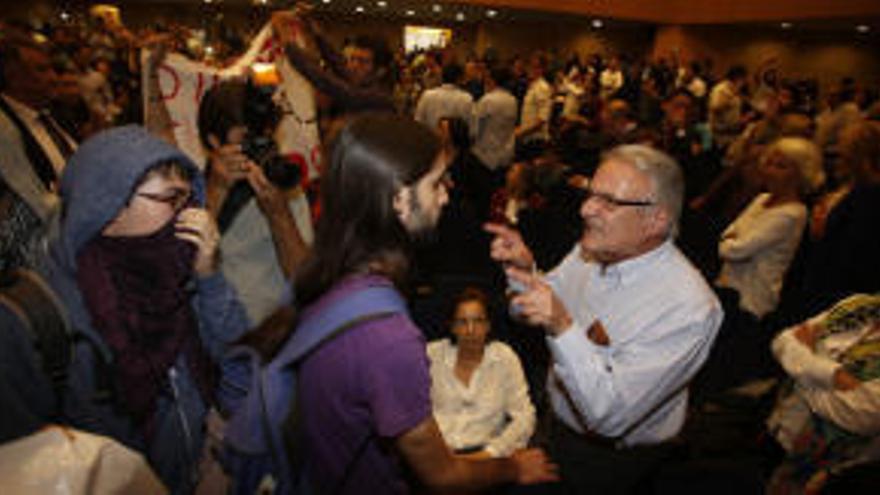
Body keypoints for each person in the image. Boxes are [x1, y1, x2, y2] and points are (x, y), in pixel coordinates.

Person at [274, 114, 557, 493]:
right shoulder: (389, 338)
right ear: (398, 200)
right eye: (436, 183)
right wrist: (514, 468)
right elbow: (443, 477)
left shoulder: (335, 267)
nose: (446, 193)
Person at [486, 144, 723, 494]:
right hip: (552, 420)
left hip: (609, 463)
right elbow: (532, 310)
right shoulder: (591, 250)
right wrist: (524, 274)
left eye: (608, 202)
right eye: (590, 194)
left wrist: (562, 325)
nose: (585, 209)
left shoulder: (689, 307)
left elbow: (609, 416)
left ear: (656, 220)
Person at [41, 125, 250, 493]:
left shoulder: (180, 273)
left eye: (190, 200)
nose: (193, 218)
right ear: (108, 208)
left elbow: (241, 379)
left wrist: (211, 278)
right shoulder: (62, 318)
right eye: (172, 200)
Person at [197, 81, 312, 325]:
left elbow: (304, 282)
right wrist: (216, 191)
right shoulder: (188, 190)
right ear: (215, 142)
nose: (262, 149)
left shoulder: (284, 185)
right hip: (215, 329)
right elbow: (182, 268)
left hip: (272, 333)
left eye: (267, 138)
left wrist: (279, 214)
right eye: (249, 140)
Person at [766, 292, 880, 494]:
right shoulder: (859, 305)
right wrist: (832, 375)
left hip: (832, 469)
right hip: (782, 424)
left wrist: (804, 363)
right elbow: (782, 342)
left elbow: (859, 416)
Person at [716, 137, 824, 320]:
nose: (769, 171)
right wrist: (731, 240)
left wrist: (731, 241)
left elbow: (734, 251)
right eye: (769, 164)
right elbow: (727, 234)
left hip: (752, 301)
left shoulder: (793, 213)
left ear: (800, 175)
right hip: (727, 286)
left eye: (781, 166)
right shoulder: (761, 199)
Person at [428, 287, 536, 458]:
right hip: (436, 455)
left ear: (488, 325)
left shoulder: (504, 357)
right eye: (462, 322)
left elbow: (524, 417)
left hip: (486, 455)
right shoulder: (431, 355)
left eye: (478, 321)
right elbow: (410, 408)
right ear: (452, 327)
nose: (470, 330)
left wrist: (491, 452)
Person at [0, 26, 75, 272]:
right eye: (41, 70)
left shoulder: (55, 115)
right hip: (35, 259)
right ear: (13, 75)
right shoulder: (5, 130)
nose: (53, 77)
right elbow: (27, 200)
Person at [414, 63, 474, 132]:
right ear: (460, 78)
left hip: (428, 139)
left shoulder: (427, 95)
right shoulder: (466, 98)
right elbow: (471, 127)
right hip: (455, 141)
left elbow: (418, 121)